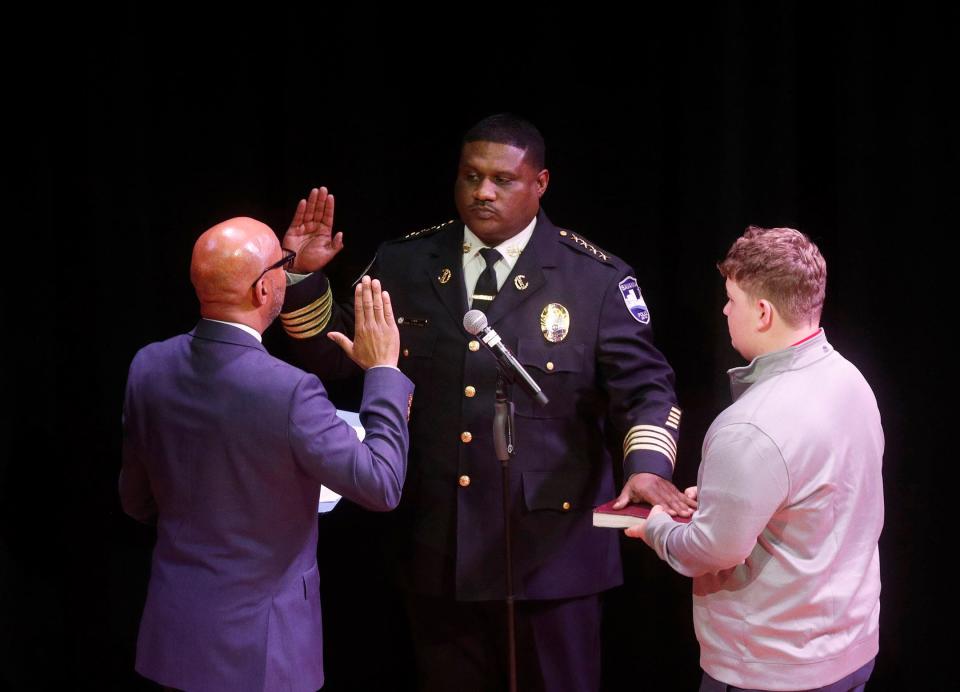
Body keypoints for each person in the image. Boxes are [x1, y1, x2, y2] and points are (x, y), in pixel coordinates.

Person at [278, 114, 695, 692]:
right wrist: (301, 277)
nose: (483, 192)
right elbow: (336, 356)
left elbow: (646, 389)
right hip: (438, 547)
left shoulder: (593, 279)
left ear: (540, 183)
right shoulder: (406, 262)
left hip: (553, 554)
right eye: (471, 176)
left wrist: (648, 469)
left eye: (502, 179)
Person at [119, 217, 414, 692]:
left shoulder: (147, 365)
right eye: (283, 264)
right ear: (262, 290)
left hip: (172, 635)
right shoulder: (290, 391)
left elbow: (136, 500)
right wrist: (382, 371)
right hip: (260, 653)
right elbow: (381, 485)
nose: (287, 271)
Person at [627, 226, 883, 692]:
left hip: (771, 671)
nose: (725, 310)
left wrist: (657, 526)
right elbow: (820, 495)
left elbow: (712, 551)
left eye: (731, 299)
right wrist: (729, 504)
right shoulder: (852, 381)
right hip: (850, 653)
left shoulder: (748, 426)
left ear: (762, 312)